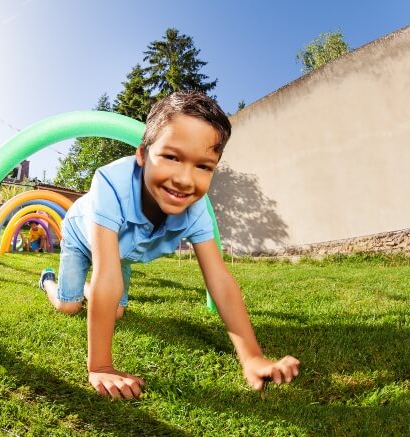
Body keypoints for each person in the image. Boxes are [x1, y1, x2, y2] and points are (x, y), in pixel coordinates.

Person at [39, 91, 300, 399]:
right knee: (70, 307)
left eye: (203, 166)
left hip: (121, 251)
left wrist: (252, 356)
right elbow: (107, 274)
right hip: (84, 236)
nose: (185, 179)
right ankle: (48, 282)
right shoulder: (111, 183)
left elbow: (220, 279)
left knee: (116, 311)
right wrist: (101, 366)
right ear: (142, 155)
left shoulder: (196, 209)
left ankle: (90, 290)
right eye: (172, 157)